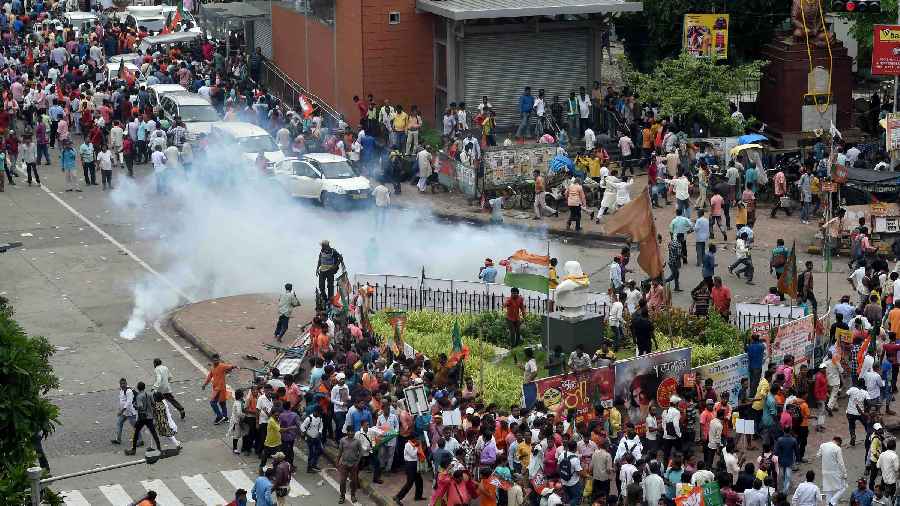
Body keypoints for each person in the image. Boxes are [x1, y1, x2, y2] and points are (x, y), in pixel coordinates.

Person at [124, 382, 162, 455]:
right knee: (154, 433)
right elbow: (154, 404)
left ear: (138, 388)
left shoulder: (139, 396)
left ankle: (133, 450)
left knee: (136, 432)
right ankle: (159, 448)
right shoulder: (149, 394)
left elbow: (140, 407)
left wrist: (135, 406)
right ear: (144, 387)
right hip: (150, 417)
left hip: (142, 417)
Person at [201, 354, 236, 424]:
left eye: (216, 359)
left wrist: (233, 366)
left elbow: (229, 366)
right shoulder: (212, 368)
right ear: (212, 360)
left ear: (218, 359)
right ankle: (225, 418)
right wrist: (204, 385)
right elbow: (209, 377)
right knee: (222, 403)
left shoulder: (222, 366)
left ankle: (220, 416)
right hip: (217, 388)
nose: (215, 361)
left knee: (213, 402)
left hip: (219, 389)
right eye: (214, 360)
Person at [112, 377, 143, 447]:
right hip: (124, 412)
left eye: (124, 383)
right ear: (119, 385)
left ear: (126, 383)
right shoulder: (122, 390)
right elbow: (122, 401)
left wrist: (121, 411)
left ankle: (140, 440)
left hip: (131, 413)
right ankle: (118, 439)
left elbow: (128, 403)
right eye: (121, 384)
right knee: (119, 423)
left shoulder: (128, 391)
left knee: (135, 426)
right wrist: (120, 409)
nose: (122, 385)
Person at [818, 436, 848, 506]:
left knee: (828, 491)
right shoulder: (837, 448)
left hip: (825, 472)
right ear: (839, 443)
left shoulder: (823, 445)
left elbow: (818, 455)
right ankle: (832, 501)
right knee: (844, 487)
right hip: (834, 472)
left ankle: (829, 504)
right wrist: (845, 473)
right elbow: (841, 463)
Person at [395, 438, 426, 504]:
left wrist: (421, 447)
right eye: (417, 439)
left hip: (415, 464)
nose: (418, 440)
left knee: (419, 481)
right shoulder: (408, 444)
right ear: (412, 439)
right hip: (410, 464)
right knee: (409, 483)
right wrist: (418, 447)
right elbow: (413, 454)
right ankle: (398, 497)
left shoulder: (415, 444)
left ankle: (418, 496)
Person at [337, 430, 363, 504]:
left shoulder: (357, 441)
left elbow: (361, 452)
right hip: (344, 464)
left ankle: (353, 495)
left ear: (354, 433)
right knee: (342, 481)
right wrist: (337, 461)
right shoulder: (342, 440)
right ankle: (342, 496)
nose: (351, 433)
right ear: (347, 432)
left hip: (353, 465)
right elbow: (340, 451)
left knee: (354, 481)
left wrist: (357, 462)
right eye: (349, 432)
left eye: (352, 432)